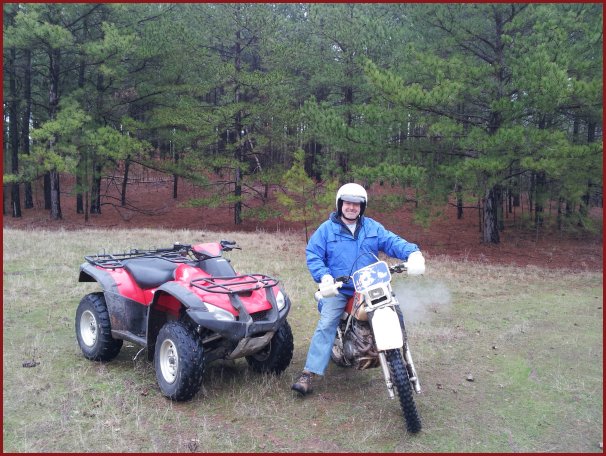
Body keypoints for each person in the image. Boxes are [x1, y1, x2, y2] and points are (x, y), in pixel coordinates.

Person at [291, 182, 425, 396]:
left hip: (370, 285)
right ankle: (308, 373)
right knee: (327, 323)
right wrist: (324, 276)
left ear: (362, 207)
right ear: (340, 204)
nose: (352, 207)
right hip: (340, 289)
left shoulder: (372, 227)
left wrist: (412, 253)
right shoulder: (326, 229)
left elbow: (391, 241)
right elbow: (314, 254)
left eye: (356, 204)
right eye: (348, 203)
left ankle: (399, 356)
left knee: (394, 310)